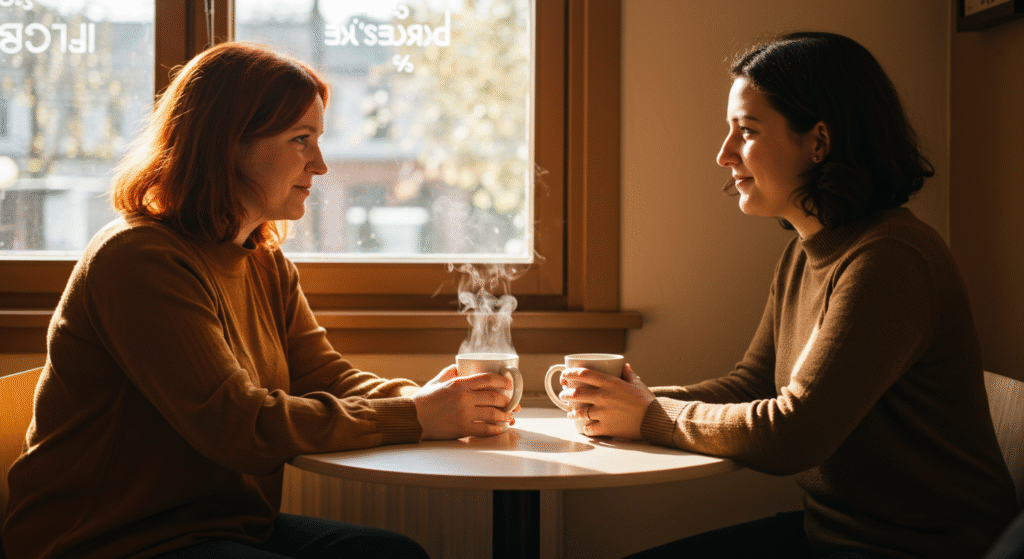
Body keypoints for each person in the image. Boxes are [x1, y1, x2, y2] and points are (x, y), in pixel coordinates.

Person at [2, 42, 516, 559]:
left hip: (220, 529)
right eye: (301, 139)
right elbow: (238, 425)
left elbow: (326, 376)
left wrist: (426, 399)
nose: (320, 165)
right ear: (227, 144)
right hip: (109, 541)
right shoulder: (140, 260)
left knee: (392, 555)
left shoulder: (262, 259)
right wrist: (417, 417)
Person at [557, 32, 1019, 558]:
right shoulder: (806, 252)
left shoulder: (891, 259)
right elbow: (752, 384)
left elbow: (792, 433)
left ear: (819, 142)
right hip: (831, 534)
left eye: (746, 131)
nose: (723, 154)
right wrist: (635, 401)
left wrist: (648, 415)